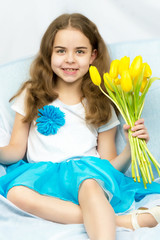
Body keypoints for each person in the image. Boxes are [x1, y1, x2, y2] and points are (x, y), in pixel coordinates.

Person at [0, 13, 160, 240]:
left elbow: (109, 166)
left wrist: (131, 149)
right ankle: (119, 220)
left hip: (89, 175)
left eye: (80, 51)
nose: (70, 59)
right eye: (61, 51)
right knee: (16, 193)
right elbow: (16, 149)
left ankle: (101, 220)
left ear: (93, 55)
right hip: (44, 178)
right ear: (49, 53)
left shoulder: (100, 101)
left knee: (89, 185)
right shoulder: (32, 94)